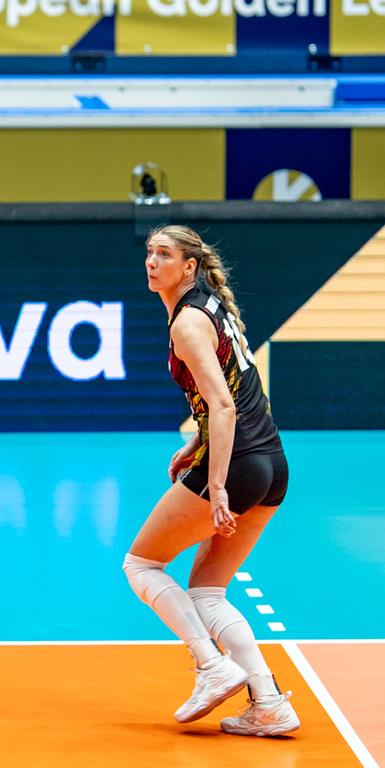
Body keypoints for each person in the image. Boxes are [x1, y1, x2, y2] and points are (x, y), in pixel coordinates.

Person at [125, 225, 298, 736]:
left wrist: (217, 485)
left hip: (238, 464)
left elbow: (224, 406)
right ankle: (268, 704)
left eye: (164, 254)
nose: (152, 262)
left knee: (142, 565)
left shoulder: (187, 322)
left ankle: (211, 665)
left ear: (189, 267)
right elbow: (237, 394)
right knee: (208, 591)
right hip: (271, 464)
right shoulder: (212, 308)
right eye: (150, 252)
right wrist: (197, 442)